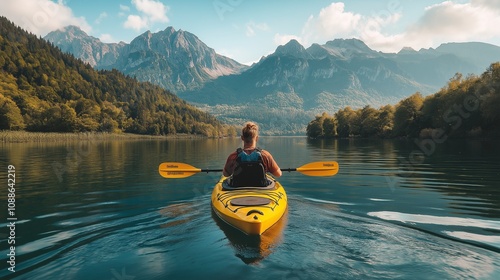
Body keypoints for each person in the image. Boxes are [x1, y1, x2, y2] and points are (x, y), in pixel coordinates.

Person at [223, 122, 282, 186]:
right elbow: (278, 174)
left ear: (242, 138)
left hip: (238, 188)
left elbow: (226, 174)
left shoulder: (233, 156)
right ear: (257, 138)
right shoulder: (265, 155)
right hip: (261, 189)